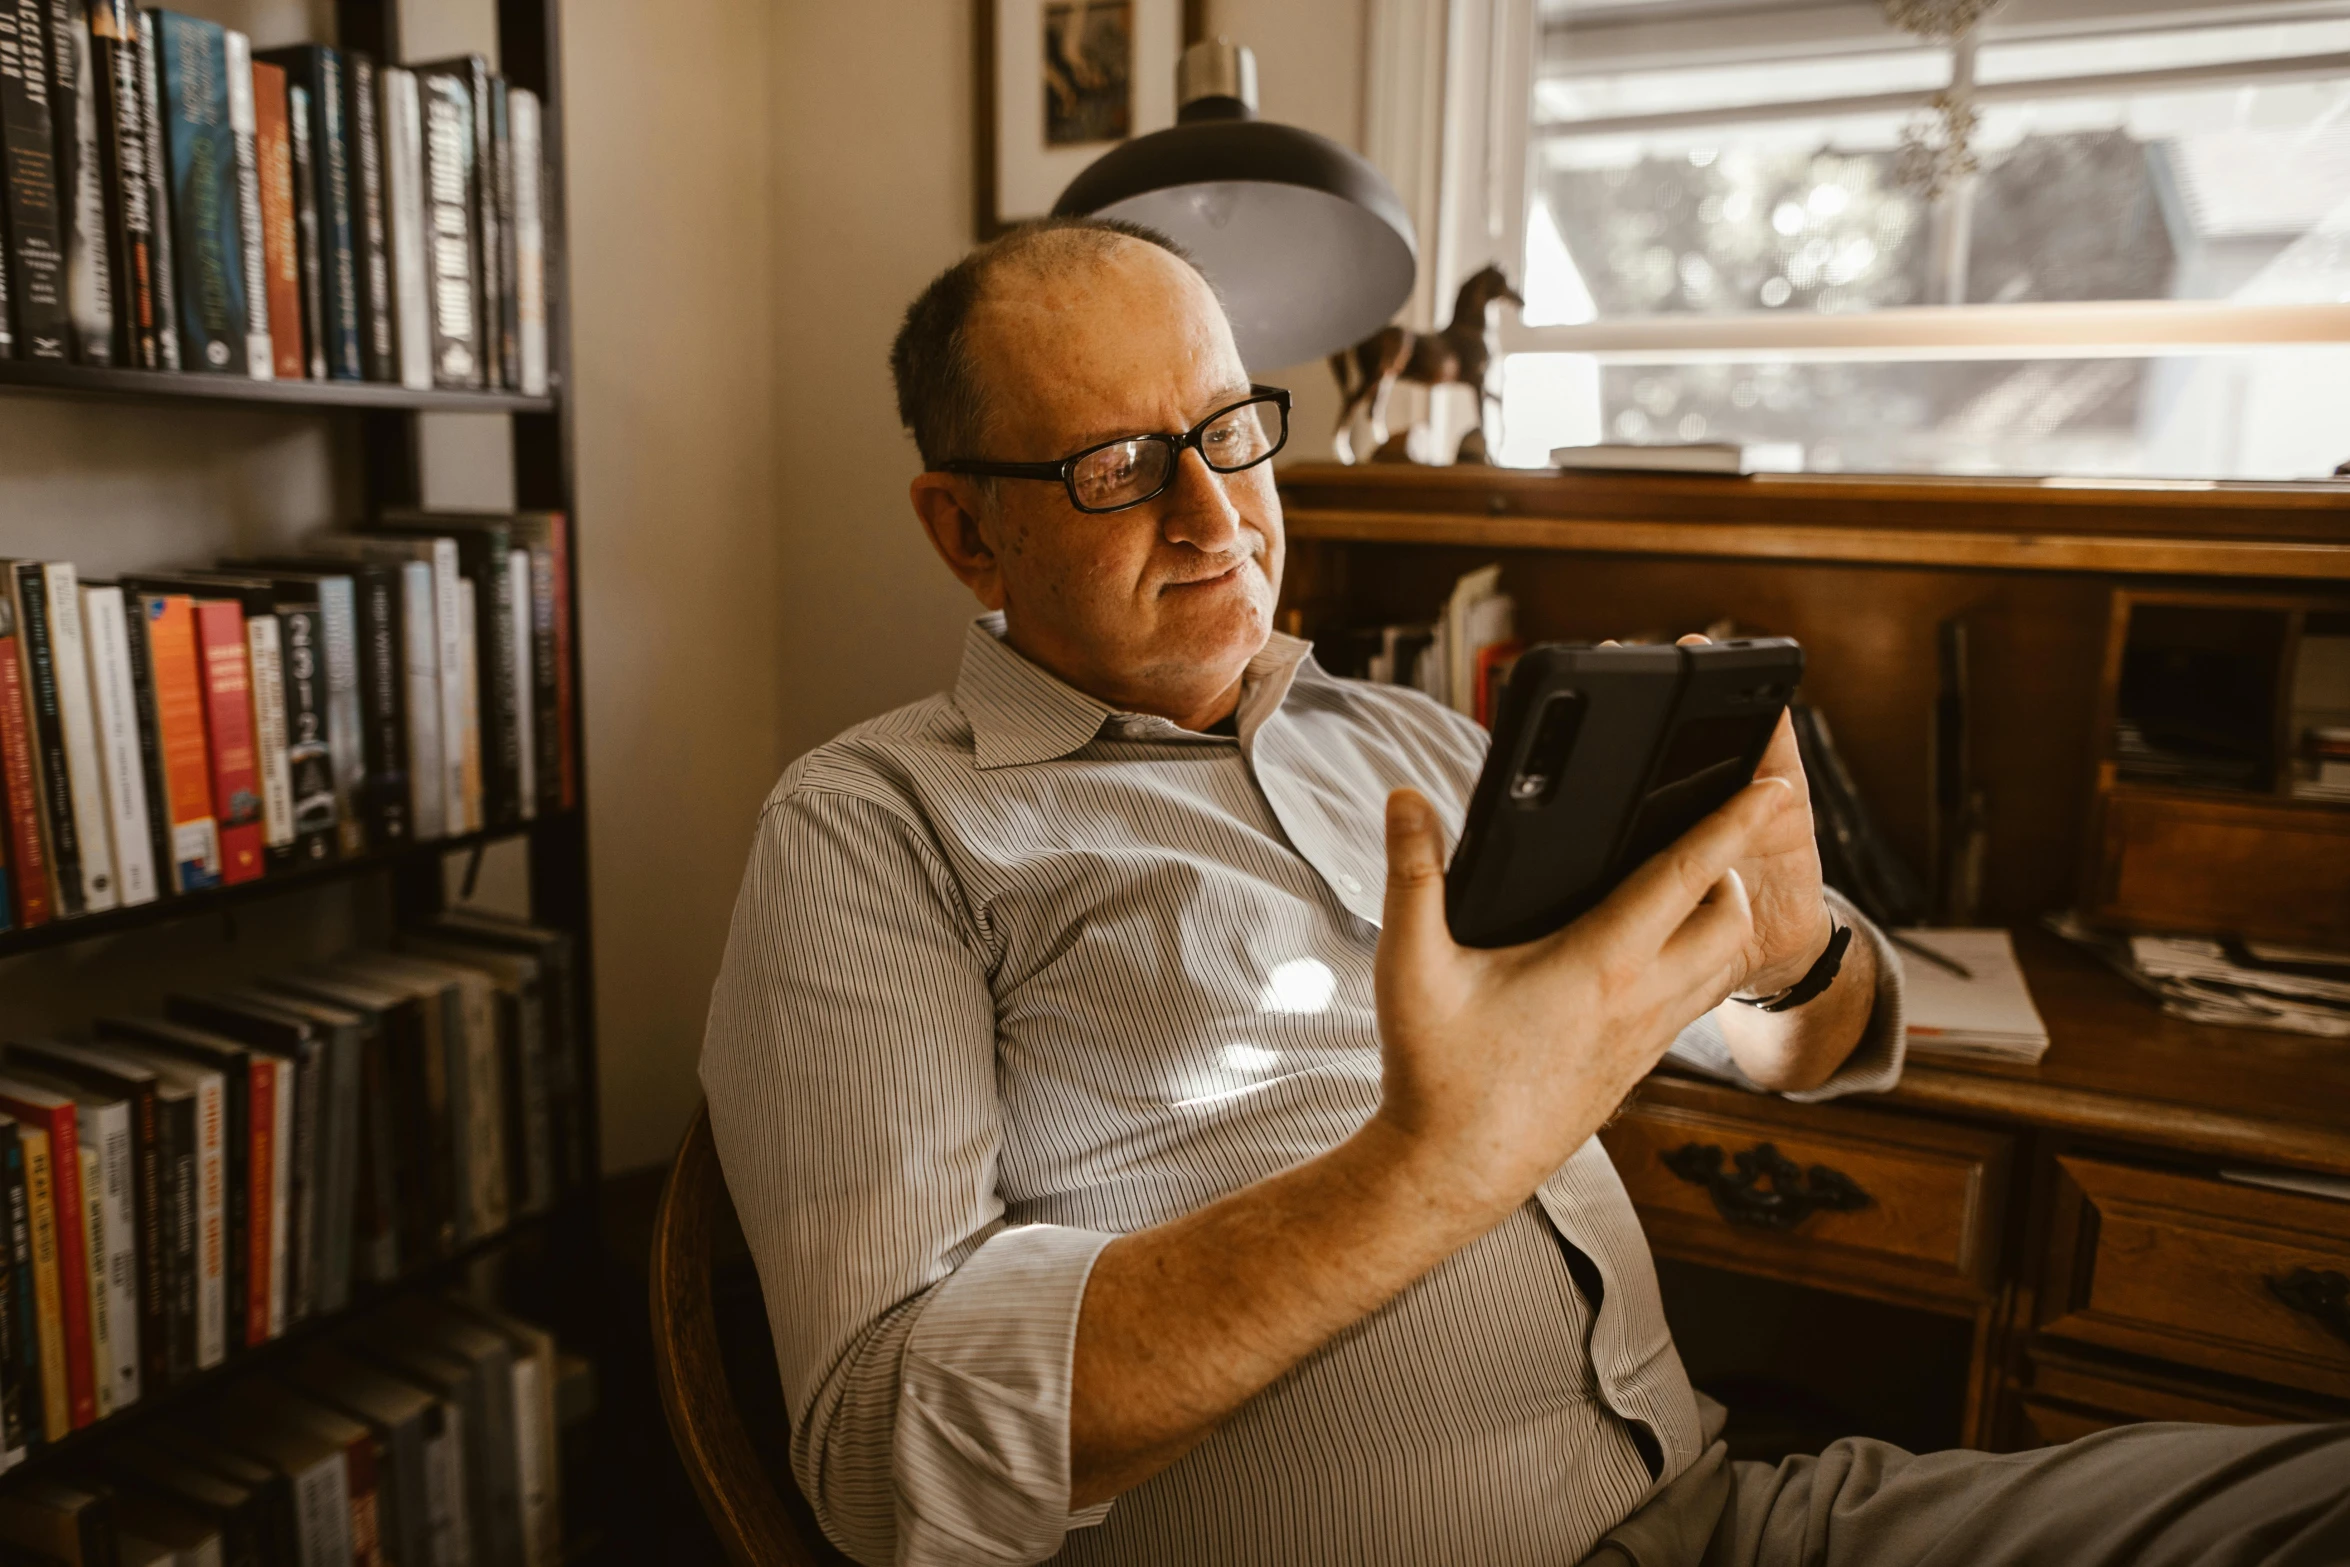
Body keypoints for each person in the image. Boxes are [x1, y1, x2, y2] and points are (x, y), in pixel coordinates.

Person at [699, 218, 2350, 1567]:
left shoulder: (1420, 735)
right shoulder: (875, 827)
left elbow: (1781, 1052)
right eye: (1119, 471)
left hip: (1727, 1518)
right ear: (966, 534)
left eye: (1223, 431)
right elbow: (884, 1460)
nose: (1215, 516)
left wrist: (1783, 955)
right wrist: (1429, 1165)